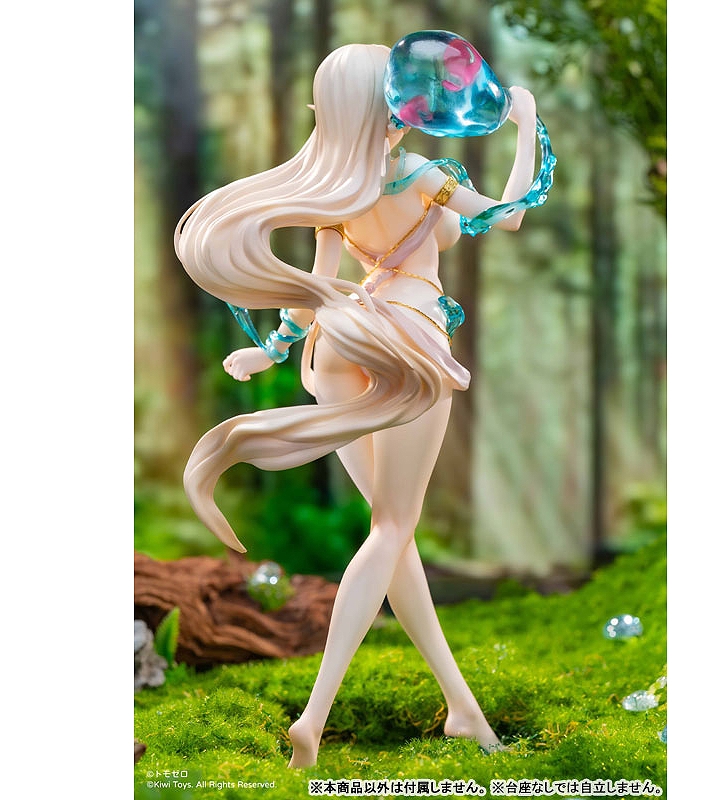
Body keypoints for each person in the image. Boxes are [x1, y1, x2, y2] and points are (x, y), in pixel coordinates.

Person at [174, 41, 539, 768]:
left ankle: (462, 707)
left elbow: (315, 289)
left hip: (341, 342)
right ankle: (314, 717)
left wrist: (273, 350)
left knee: (390, 533)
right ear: (391, 108)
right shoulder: (426, 176)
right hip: (406, 340)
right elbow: (509, 216)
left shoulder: (336, 192)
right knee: (393, 526)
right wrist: (525, 124)